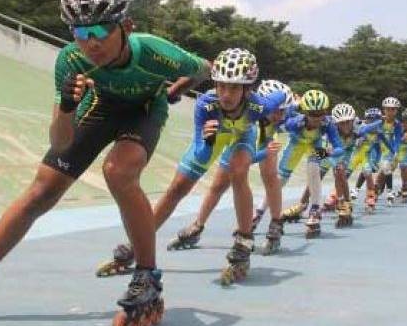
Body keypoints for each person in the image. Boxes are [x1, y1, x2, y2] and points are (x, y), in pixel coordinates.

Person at [0, 0, 211, 324]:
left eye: (101, 30)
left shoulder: (156, 53)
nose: (91, 43)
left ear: (126, 26)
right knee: (40, 191)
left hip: (144, 109)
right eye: (79, 31)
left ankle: (146, 277)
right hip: (100, 106)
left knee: (119, 171)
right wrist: (67, 106)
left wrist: (180, 87)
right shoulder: (71, 60)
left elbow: (204, 68)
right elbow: (59, 143)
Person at [93, 48, 285, 287]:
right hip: (213, 137)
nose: (225, 94)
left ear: (247, 88)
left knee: (238, 171)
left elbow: (275, 107)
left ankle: (244, 241)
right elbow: (201, 153)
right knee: (177, 188)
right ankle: (138, 243)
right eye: (221, 85)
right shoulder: (206, 104)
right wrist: (208, 141)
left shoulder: (259, 106)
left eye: (234, 87)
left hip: (242, 136)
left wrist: (265, 148)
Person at [166, 79, 295, 256]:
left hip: (261, 135)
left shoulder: (275, 120)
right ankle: (198, 225)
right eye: (277, 111)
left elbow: (266, 174)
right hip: (238, 135)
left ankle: (275, 223)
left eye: (284, 112)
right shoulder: (253, 107)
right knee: (218, 185)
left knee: (270, 176)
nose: (280, 116)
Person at [278, 90, 344, 238]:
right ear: (305, 112)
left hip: (314, 145)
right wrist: (294, 105)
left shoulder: (327, 123)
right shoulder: (295, 122)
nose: (317, 118)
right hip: (296, 145)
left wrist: (330, 152)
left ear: (325, 112)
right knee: (280, 179)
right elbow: (276, 125)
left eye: (320, 113)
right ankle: (260, 212)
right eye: (312, 114)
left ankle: (315, 210)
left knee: (314, 165)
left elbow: (339, 148)